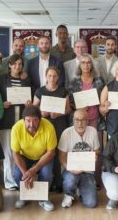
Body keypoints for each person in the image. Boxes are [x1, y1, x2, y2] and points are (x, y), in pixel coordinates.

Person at [0, 54, 33, 191]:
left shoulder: (26, 80)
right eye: (15, 64)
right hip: (5, 120)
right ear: (9, 65)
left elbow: (31, 97)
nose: (18, 67)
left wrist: (29, 103)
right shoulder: (1, 79)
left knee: (19, 151)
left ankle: (19, 179)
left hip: (21, 121)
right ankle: (9, 181)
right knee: (7, 153)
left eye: (20, 64)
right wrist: (1, 103)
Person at [68, 53, 106, 186]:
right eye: (83, 62)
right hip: (80, 122)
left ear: (92, 65)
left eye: (88, 62)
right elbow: (70, 103)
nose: (86, 65)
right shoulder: (74, 82)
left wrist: (102, 104)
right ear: (80, 65)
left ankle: (95, 180)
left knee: (96, 151)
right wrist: (77, 107)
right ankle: (79, 179)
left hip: (96, 120)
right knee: (80, 149)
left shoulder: (99, 81)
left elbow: (105, 98)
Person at [11, 106, 57, 211]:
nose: (31, 124)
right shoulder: (16, 128)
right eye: (28, 121)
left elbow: (51, 152)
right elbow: (15, 153)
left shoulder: (49, 127)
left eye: (35, 120)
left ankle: (43, 197)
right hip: (24, 156)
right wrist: (26, 173)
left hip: (43, 155)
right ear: (23, 120)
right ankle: (24, 195)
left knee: (47, 174)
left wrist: (33, 170)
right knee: (17, 174)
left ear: (40, 120)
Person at [33, 66, 71, 192]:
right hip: (44, 126)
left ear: (58, 77)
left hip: (60, 124)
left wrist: (59, 114)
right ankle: (46, 183)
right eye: (50, 75)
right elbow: (34, 109)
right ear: (46, 76)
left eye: (55, 76)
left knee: (60, 152)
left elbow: (68, 109)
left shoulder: (63, 91)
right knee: (47, 153)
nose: (52, 78)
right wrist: (41, 113)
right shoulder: (40, 91)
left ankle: (58, 183)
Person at [58, 109, 100, 208]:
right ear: (73, 120)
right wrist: (69, 168)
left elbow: (97, 150)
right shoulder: (66, 133)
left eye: (83, 120)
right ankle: (68, 194)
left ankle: (80, 189)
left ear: (88, 120)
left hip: (87, 171)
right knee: (71, 179)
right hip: (71, 170)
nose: (80, 123)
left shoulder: (93, 131)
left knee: (91, 203)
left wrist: (94, 154)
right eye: (77, 120)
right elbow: (61, 155)